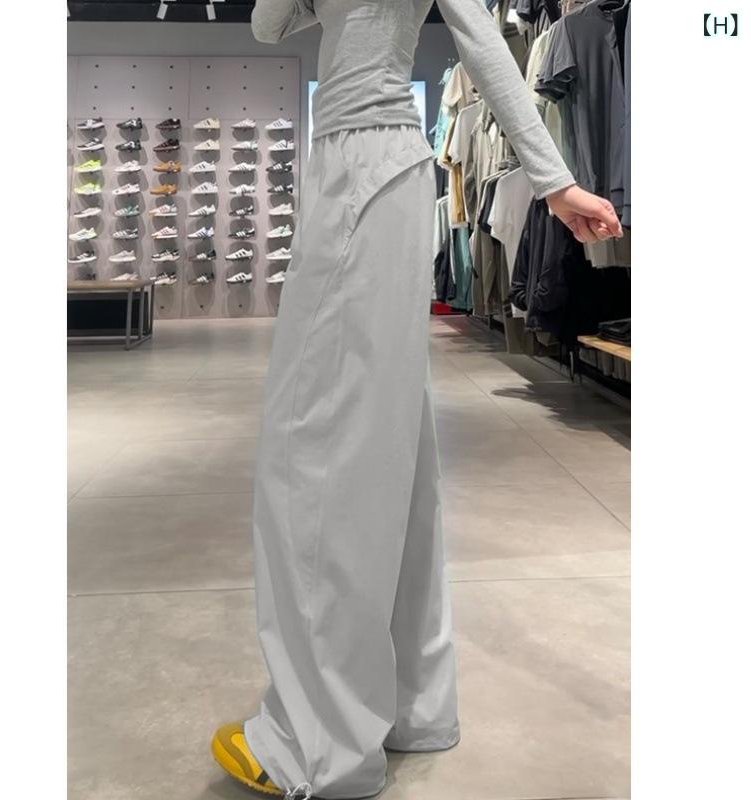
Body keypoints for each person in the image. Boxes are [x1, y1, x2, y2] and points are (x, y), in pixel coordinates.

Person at [211, 1, 623, 798]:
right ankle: (405, 706)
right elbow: (266, 26)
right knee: (387, 442)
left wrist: (555, 182)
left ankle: (319, 744)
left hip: (367, 173)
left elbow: (483, 44)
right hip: (351, 170)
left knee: (317, 445)